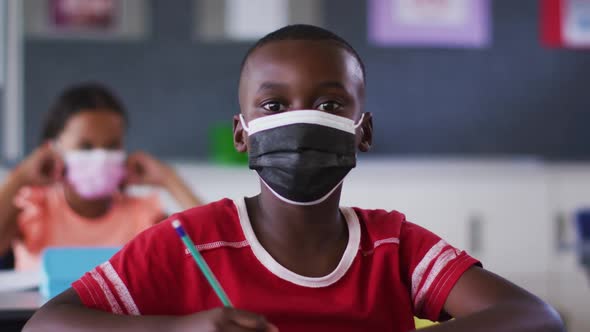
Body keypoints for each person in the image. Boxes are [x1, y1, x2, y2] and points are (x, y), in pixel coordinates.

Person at [24, 25, 564, 332]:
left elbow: (534, 316)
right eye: (274, 103)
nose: (301, 118)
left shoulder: (392, 245)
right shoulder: (189, 242)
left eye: (330, 102)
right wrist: (180, 329)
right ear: (243, 133)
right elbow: (45, 326)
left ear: (363, 131)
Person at [0, 83, 202, 271]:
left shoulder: (144, 215)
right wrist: (20, 178)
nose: (100, 156)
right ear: (53, 148)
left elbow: (212, 249)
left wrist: (170, 179)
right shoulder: (34, 208)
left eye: (112, 146)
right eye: (85, 147)